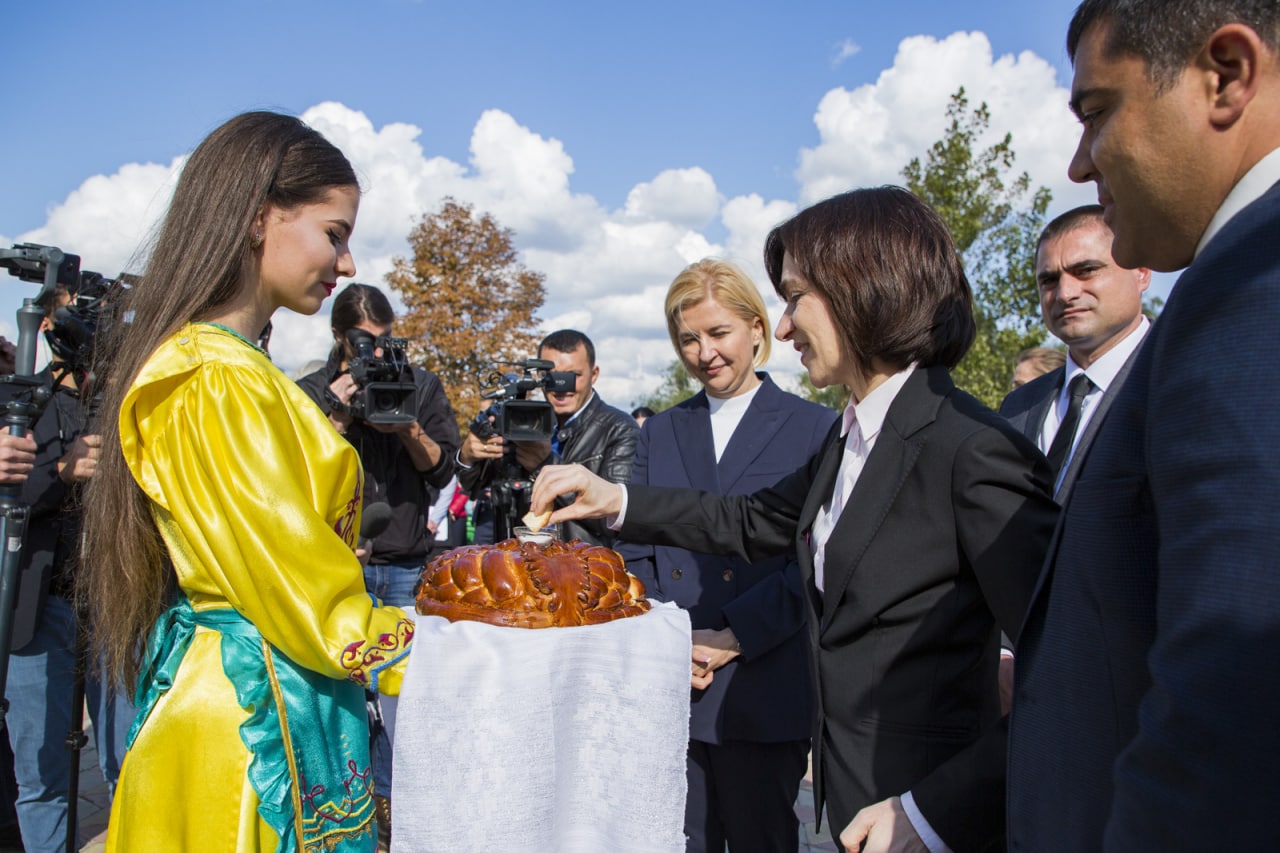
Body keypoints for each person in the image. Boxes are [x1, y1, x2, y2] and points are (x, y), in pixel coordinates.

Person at [532, 187, 1059, 853]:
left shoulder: (971, 449)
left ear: (865, 291)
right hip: (856, 802)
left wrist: (933, 812)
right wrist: (616, 500)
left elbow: (1071, 674)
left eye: (794, 299)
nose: (782, 328)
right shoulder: (854, 437)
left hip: (921, 815)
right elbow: (751, 521)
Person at [77, 111, 414, 852]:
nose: (348, 263)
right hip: (249, 721)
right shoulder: (213, 379)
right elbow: (295, 581)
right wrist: (425, 647)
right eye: (334, 232)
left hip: (262, 689)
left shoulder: (230, 370)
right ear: (260, 216)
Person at [1007, 3, 1280, 850]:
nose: (1080, 161)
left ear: (1225, 74)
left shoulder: (1245, 289)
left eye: (1096, 112)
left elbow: (1233, 691)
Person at [619, 259, 835, 852]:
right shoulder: (659, 432)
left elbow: (816, 557)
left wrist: (733, 636)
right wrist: (668, 634)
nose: (703, 352)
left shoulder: (817, 428)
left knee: (761, 836)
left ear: (757, 330)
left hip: (763, 676)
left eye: (718, 333)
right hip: (673, 676)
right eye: (688, 338)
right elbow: (634, 550)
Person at [296, 282, 456, 843]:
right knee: (334, 695)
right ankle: (336, 811)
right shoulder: (309, 391)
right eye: (365, 344)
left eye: (387, 342)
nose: (378, 355)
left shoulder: (421, 384)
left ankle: (395, 814)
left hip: (405, 560)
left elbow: (442, 473)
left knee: (404, 699)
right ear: (339, 337)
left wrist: (407, 427)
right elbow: (292, 480)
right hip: (335, 566)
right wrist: (333, 417)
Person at [0, 284, 130, 852]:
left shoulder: (128, 397)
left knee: (132, 762)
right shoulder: (20, 400)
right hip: (37, 603)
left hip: (116, 605)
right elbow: (13, 494)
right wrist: (63, 470)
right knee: (42, 775)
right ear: (49, 326)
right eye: (74, 317)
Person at [1001, 205, 1151, 498]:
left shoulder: (1179, 381)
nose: (1065, 293)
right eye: (1049, 280)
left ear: (1141, 272)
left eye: (1086, 270)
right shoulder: (1017, 408)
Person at [458, 329, 638, 545]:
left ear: (595, 374)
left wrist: (545, 464)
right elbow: (473, 488)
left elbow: (617, 517)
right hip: (520, 561)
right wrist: (467, 456)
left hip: (579, 567)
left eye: (574, 376)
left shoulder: (619, 429)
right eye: (552, 378)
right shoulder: (521, 422)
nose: (562, 388)